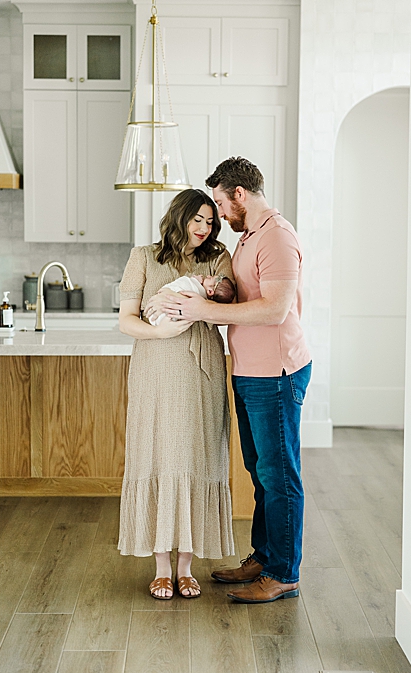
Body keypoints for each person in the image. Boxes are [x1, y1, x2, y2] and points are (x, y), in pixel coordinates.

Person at [155, 157, 311, 604]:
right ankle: (264, 556)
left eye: (222, 204)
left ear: (238, 195)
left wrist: (205, 310)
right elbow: (249, 296)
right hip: (249, 371)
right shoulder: (250, 237)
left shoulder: (277, 237)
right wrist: (221, 292)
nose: (220, 215)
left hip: (276, 373)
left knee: (280, 476)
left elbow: (275, 310)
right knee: (261, 473)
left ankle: (283, 573)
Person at [117, 188, 235, 600]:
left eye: (210, 221)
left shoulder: (218, 258)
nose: (204, 228)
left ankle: (186, 567)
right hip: (155, 367)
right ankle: (161, 567)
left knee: (196, 454)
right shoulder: (143, 256)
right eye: (197, 219)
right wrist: (159, 331)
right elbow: (126, 320)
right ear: (179, 216)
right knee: (157, 454)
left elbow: (226, 304)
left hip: (201, 368)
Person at [147, 273, 234, 325]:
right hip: (161, 316)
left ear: (210, 291)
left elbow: (185, 288)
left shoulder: (198, 297)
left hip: (161, 314)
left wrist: (194, 280)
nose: (207, 275)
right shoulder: (202, 299)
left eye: (210, 278)